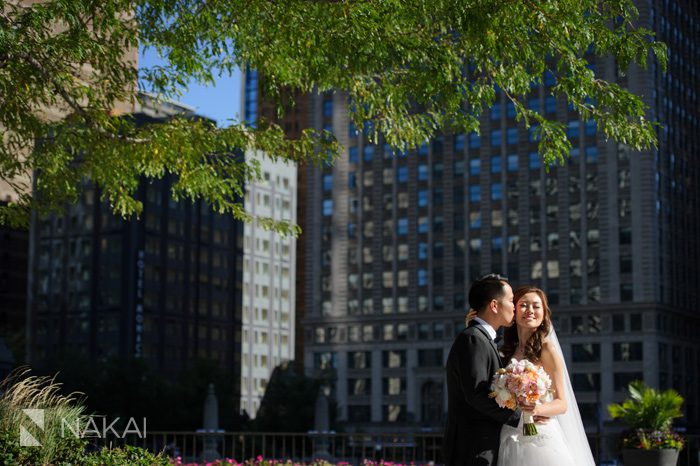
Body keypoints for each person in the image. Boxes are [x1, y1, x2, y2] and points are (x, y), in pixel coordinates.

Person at [497, 286, 596, 466]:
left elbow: (562, 403)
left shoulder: (546, 348)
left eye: (536, 306)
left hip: (540, 435)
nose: (530, 311)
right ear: (514, 310)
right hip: (511, 434)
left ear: (544, 313)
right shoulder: (506, 351)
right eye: (523, 305)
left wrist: (535, 410)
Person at [443, 273, 521, 466]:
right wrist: (519, 416)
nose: (515, 306)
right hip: (474, 449)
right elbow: (476, 393)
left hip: (481, 447)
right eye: (511, 300)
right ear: (494, 305)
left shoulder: (480, 338)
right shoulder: (473, 338)